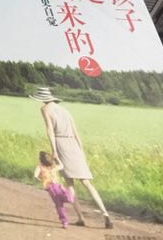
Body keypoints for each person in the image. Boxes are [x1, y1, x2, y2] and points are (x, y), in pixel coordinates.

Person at [31, 87, 113, 229]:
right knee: (86, 182)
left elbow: (50, 130)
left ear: (42, 99)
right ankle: (105, 214)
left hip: (61, 144)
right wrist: (81, 150)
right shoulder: (65, 110)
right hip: (74, 145)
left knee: (70, 183)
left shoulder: (44, 109)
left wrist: (54, 150)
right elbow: (76, 132)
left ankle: (81, 218)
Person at [34, 151, 74, 229]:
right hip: (55, 186)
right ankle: (64, 220)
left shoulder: (41, 167)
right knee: (61, 202)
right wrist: (57, 159)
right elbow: (61, 166)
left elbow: (35, 175)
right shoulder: (51, 166)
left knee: (59, 204)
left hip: (52, 187)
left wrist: (41, 179)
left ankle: (64, 221)